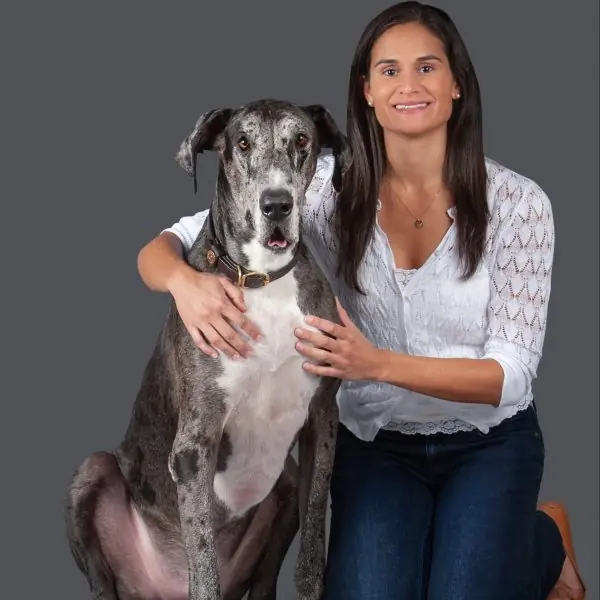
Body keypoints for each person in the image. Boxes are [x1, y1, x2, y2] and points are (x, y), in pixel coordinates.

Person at [136, 2, 586, 599]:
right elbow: (175, 240)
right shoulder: (324, 186)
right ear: (368, 91)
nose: (408, 85)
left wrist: (376, 364)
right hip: (378, 444)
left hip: (489, 441)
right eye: (389, 70)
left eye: (427, 67)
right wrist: (184, 283)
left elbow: (512, 376)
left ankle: (544, 538)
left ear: (457, 84)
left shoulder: (520, 205)